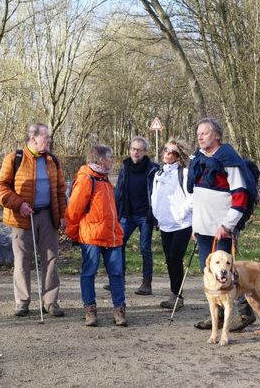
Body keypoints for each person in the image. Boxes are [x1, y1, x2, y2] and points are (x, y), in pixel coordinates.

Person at [187, 117, 256, 332]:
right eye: (198, 133)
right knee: (208, 270)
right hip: (203, 226)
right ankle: (216, 316)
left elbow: (240, 195)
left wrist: (227, 224)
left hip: (221, 228)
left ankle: (245, 312)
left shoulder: (228, 159)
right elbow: (196, 195)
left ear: (216, 135)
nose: (200, 136)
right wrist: (195, 225)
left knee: (227, 272)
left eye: (205, 133)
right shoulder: (198, 159)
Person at [0, 123, 67, 317]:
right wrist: (19, 204)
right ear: (33, 139)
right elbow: (0, 187)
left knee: (51, 258)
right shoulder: (14, 158)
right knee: (22, 259)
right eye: (46, 137)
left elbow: (60, 190)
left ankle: (50, 301)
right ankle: (22, 301)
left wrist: (62, 215)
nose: (49, 140)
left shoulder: (53, 161)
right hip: (22, 218)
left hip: (47, 216)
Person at [65, 144, 126, 326]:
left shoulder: (105, 179)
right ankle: (90, 309)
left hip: (112, 235)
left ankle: (119, 309)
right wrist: (73, 233)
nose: (112, 161)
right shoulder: (86, 179)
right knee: (89, 273)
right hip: (91, 236)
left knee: (116, 273)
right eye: (110, 158)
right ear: (100, 159)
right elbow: (73, 210)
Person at [112, 136, 159, 295]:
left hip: (145, 215)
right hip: (127, 214)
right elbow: (118, 190)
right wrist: (116, 213)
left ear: (145, 151)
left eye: (139, 149)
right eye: (133, 149)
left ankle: (147, 283)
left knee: (145, 248)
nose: (136, 152)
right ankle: (120, 278)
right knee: (119, 244)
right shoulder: (125, 167)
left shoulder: (153, 169)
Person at [150, 138, 193, 310]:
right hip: (165, 224)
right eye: (166, 150)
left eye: (172, 152)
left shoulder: (185, 172)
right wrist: (157, 215)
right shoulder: (158, 173)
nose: (168, 154)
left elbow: (192, 197)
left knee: (176, 257)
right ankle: (174, 293)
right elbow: (155, 196)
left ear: (179, 155)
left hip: (182, 224)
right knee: (169, 259)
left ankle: (177, 295)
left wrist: (181, 214)